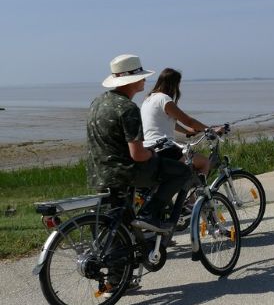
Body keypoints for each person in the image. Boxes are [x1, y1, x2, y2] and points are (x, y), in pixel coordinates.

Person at [86, 54, 191, 235]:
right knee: (182, 171)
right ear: (132, 81)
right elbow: (137, 155)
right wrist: (152, 153)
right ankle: (150, 215)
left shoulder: (97, 102)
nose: (144, 79)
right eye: (141, 76)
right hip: (124, 173)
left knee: (121, 220)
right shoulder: (128, 108)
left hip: (97, 172)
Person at [141, 67, 223, 175]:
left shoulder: (148, 99)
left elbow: (169, 123)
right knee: (204, 162)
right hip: (165, 149)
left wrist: (188, 132)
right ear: (173, 84)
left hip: (149, 149)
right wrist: (211, 130)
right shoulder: (164, 99)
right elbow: (188, 121)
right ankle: (199, 192)